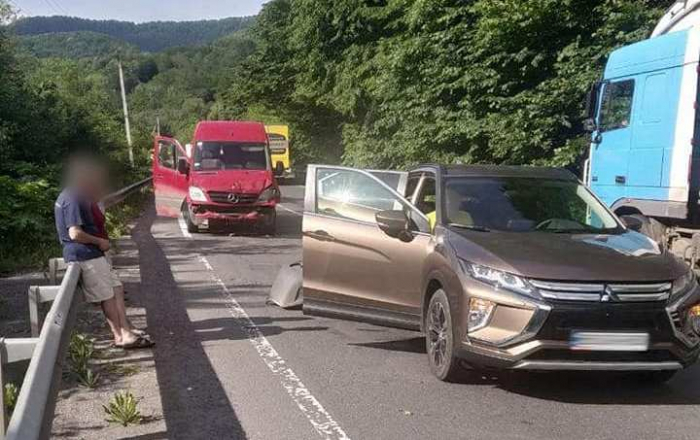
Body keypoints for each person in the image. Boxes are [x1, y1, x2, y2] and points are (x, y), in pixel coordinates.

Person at [55, 155, 153, 349]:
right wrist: (99, 241)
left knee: (115, 287)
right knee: (107, 295)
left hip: (93, 253)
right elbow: (75, 233)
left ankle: (126, 328)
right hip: (86, 253)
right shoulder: (73, 197)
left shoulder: (72, 194)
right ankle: (120, 336)